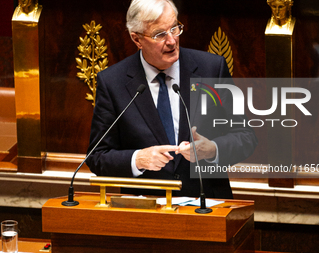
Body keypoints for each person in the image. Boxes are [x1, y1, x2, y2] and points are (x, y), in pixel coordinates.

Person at [86, 0, 257, 199]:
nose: (172, 41)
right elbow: (97, 156)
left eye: (174, 29)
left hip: (208, 205)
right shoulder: (113, 82)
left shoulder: (211, 69)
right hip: (147, 211)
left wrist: (212, 149)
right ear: (137, 39)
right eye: (160, 34)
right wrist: (137, 159)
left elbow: (246, 137)